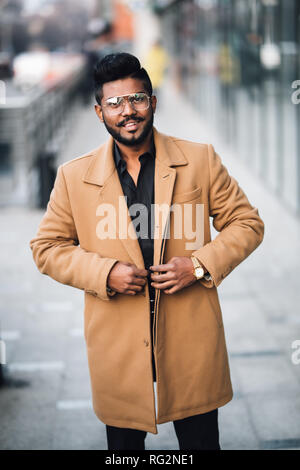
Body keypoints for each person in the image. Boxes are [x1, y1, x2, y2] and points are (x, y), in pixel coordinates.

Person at [30, 52, 264, 450]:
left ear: (153, 102)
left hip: (190, 338)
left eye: (137, 99)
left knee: (201, 444)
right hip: (117, 346)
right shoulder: (73, 176)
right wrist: (103, 273)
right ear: (99, 112)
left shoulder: (200, 159)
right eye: (115, 103)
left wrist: (198, 265)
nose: (128, 112)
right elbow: (46, 248)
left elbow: (247, 223)